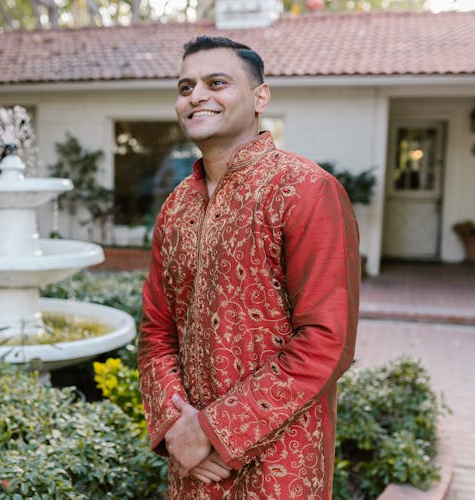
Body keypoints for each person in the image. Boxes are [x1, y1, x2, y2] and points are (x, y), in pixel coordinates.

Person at [137, 35, 360, 499]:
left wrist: (213, 430)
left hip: (281, 461)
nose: (197, 95)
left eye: (217, 82)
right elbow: (157, 332)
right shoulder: (176, 207)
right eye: (185, 87)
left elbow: (326, 339)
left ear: (260, 97)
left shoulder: (305, 190)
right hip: (194, 467)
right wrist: (180, 429)